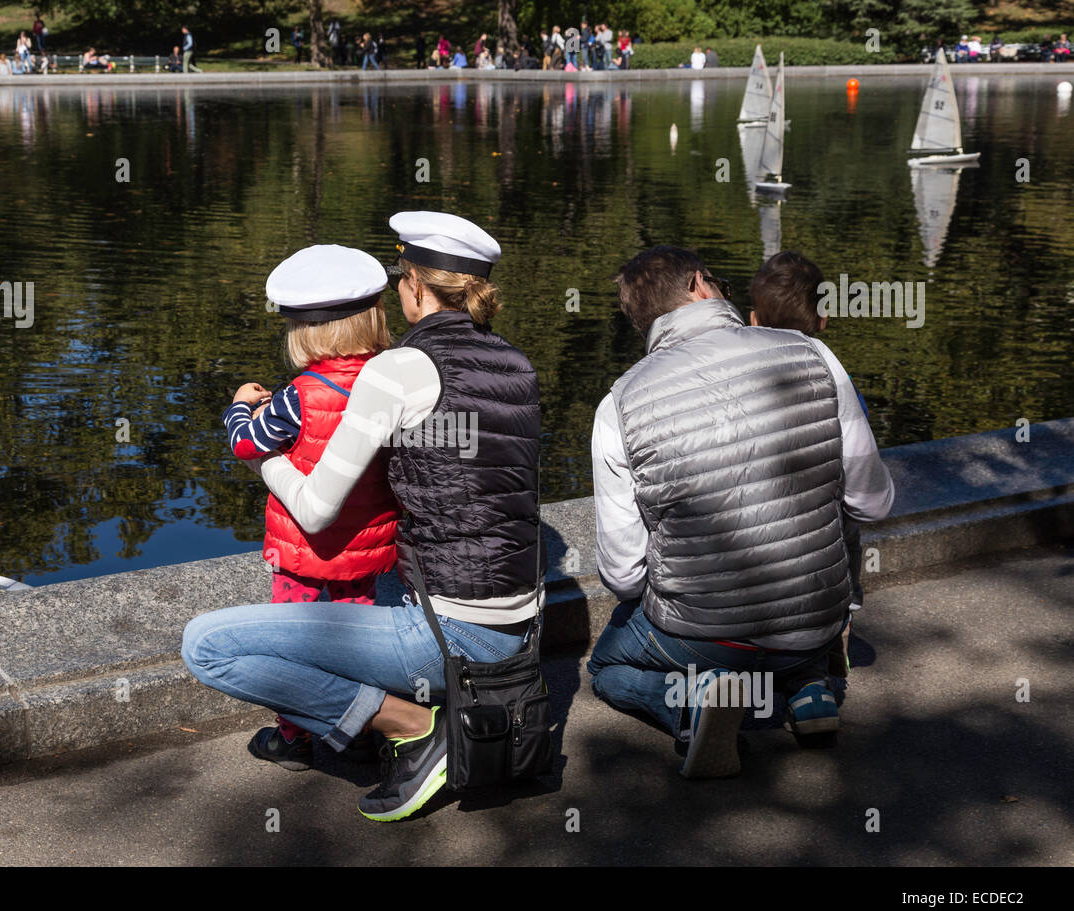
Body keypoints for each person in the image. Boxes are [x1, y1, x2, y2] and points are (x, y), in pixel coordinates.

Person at [183, 212, 541, 822]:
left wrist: (262, 464)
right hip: (522, 626)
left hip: (448, 630)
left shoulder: (397, 369)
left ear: (417, 289)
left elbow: (318, 512)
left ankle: (414, 727)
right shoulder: (516, 364)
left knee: (206, 646)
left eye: (402, 277)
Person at [586, 246, 894, 779]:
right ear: (702, 284)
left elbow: (623, 572)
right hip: (815, 624)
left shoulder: (619, 404)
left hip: (711, 641)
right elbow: (872, 502)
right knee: (790, 637)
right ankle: (808, 691)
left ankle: (693, 705)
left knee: (608, 664)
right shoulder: (813, 354)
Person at [224, 245, 401, 770]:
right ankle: (366, 731)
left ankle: (295, 736)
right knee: (360, 640)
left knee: (292, 641)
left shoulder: (297, 395)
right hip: (368, 548)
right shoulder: (389, 383)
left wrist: (238, 407)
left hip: (301, 549)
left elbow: (247, 446)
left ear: (303, 332)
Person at [746, 252, 872, 664]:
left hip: (760, 522)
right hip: (828, 519)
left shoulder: (742, 375)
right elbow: (859, 456)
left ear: (752, 321)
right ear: (823, 319)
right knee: (847, 534)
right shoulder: (838, 377)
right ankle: (840, 630)